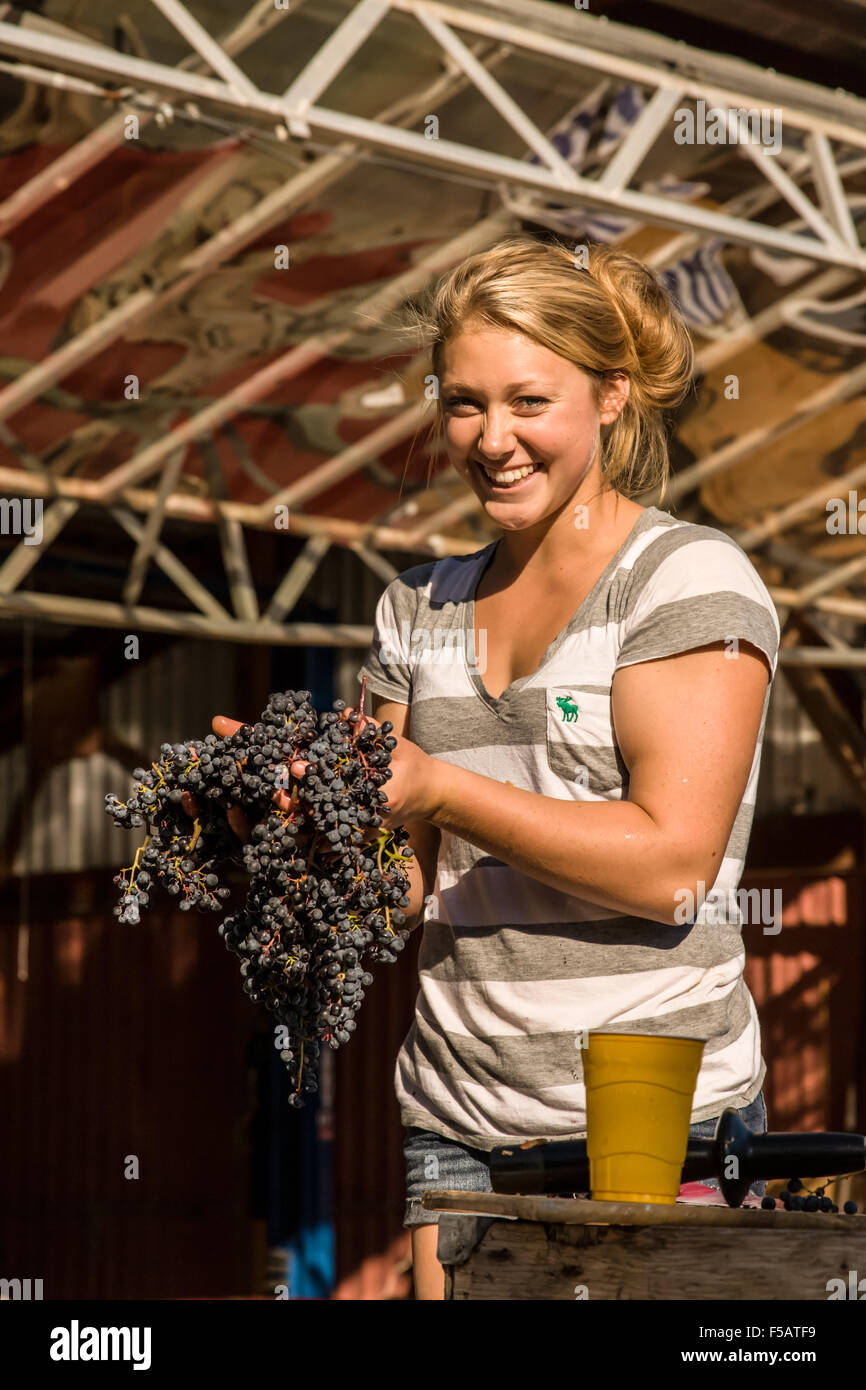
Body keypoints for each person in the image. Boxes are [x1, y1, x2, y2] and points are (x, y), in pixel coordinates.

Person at [349, 235, 780, 1299]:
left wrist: (442, 785)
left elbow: (669, 865)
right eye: (461, 403)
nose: (490, 438)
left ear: (610, 395)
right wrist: (283, 835)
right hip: (460, 1131)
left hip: (657, 1132)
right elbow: (395, 884)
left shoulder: (683, 581)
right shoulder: (415, 608)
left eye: (526, 402)